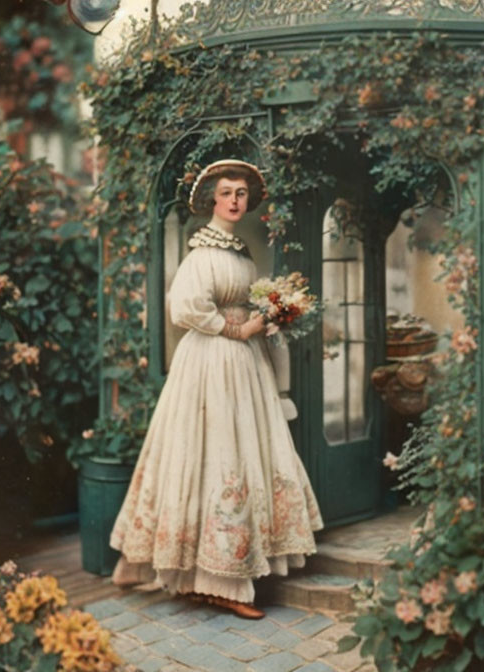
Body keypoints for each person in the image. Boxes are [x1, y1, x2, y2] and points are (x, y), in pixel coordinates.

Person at [109, 159, 323, 620]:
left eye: (241, 194)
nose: (233, 201)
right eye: (226, 192)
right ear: (212, 199)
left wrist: (270, 316)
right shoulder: (201, 255)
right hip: (211, 361)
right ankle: (211, 579)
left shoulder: (240, 253)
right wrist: (238, 331)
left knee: (241, 451)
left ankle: (218, 575)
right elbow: (185, 309)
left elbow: (245, 306)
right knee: (216, 451)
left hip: (244, 364)